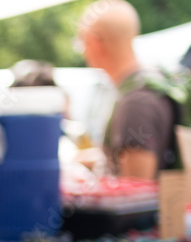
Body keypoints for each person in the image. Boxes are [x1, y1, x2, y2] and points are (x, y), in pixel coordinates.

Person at [78, 0, 181, 178]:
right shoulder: (150, 84)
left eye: (80, 44)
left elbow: (136, 186)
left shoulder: (136, 103)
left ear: (95, 43)